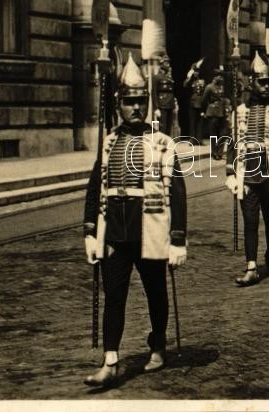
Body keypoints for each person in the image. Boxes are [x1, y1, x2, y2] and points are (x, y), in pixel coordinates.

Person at [83, 54, 187, 386]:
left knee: (156, 292)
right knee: (114, 295)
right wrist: (90, 232)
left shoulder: (162, 143)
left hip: (150, 231)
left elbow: (178, 193)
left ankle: (158, 344)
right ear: (119, 105)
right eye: (129, 102)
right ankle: (111, 360)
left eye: (141, 101)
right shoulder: (108, 142)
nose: (136, 108)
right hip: (115, 232)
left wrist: (178, 239)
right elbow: (95, 187)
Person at [225, 52, 269, 286]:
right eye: (261, 82)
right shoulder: (239, 112)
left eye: (268, 82)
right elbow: (232, 143)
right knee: (250, 220)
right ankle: (251, 265)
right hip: (247, 172)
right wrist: (230, 172)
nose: (265, 86)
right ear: (251, 83)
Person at [202, 70, 227, 159]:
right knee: (213, 134)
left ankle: (220, 152)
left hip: (222, 112)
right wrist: (205, 111)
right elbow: (204, 100)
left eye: (221, 76)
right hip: (213, 112)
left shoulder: (222, 87)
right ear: (214, 77)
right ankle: (214, 152)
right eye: (219, 76)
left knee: (223, 134)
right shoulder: (209, 87)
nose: (221, 78)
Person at [183, 58, 206, 141]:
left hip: (200, 103)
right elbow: (185, 85)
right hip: (192, 103)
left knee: (200, 122)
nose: (196, 73)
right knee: (192, 122)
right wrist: (189, 76)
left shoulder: (202, 81)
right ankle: (192, 139)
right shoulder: (190, 81)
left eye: (197, 71)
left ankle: (199, 139)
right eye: (195, 71)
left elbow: (204, 92)